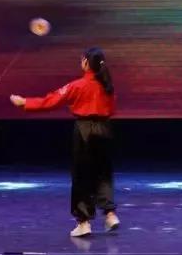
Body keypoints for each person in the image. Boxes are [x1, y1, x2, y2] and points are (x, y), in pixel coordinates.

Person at [10, 47, 120, 237]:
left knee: (81, 175)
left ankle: (83, 222)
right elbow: (111, 109)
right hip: (105, 129)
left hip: (85, 130)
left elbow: (51, 100)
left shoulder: (78, 85)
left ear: (86, 63)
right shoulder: (107, 86)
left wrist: (25, 103)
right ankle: (110, 214)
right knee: (103, 172)